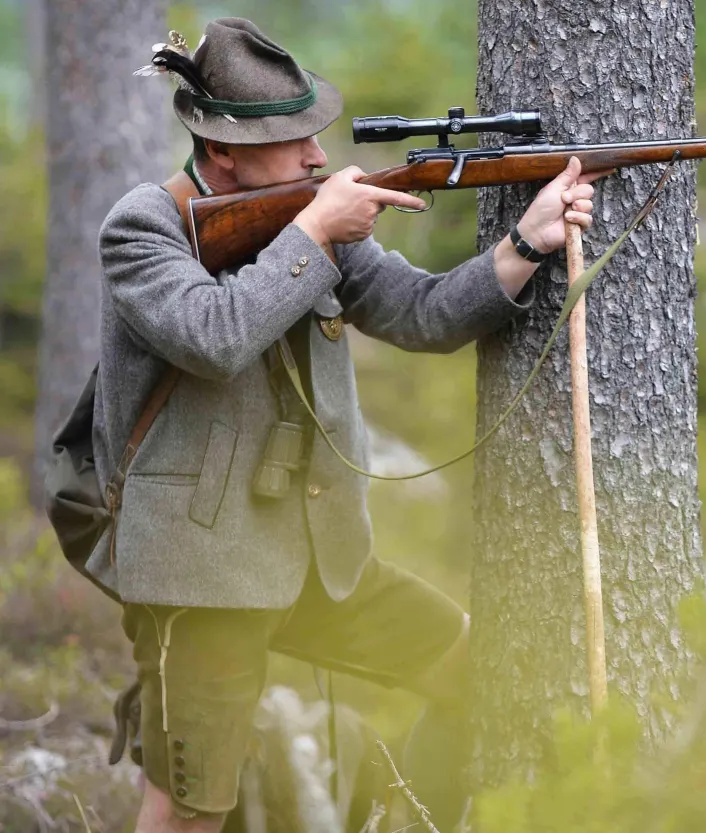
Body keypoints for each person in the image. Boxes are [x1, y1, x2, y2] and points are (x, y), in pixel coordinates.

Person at [92, 17, 607, 833]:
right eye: (293, 140)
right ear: (221, 149)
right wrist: (312, 235)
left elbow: (424, 313)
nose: (318, 158)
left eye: (317, 134)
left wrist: (525, 241)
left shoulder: (306, 217)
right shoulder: (145, 226)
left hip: (322, 559)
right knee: (190, 810)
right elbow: (213, 337)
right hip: (205, 574)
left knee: (485, 674)